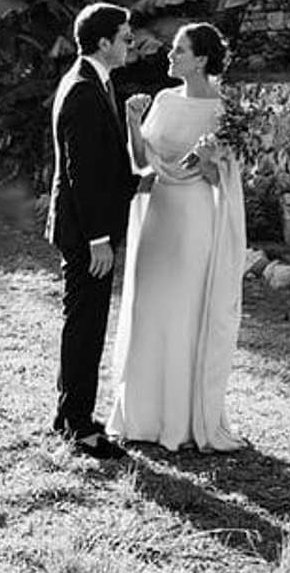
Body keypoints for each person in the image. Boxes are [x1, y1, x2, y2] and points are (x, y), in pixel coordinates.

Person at [106, 22, 248, 453]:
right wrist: (132, 120)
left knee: (184, 312)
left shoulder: (226, 111)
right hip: (160, 214)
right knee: (150, 309)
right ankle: (143, 416)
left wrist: (208, 159)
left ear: (201, 59)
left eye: (179, 50)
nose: (170, 55)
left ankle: (182, 419)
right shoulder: (165, 101)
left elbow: (224, 179)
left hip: (195, 218)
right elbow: (140, 161)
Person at [45, 2, 138, 459]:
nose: (131, 44)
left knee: (83, 323)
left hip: (86, 227)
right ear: (104, 42)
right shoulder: (83, 90)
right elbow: (82, 173)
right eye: (125, 37)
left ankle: (70, 414)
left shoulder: (94, 81)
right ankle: (79, 427)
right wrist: (99, 238)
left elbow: (104, 161)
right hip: (86, 233)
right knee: (85, 327)